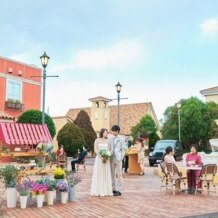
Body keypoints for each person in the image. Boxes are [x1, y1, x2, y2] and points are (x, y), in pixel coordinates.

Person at [90, 128, 113, 196]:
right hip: (99, 160)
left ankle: (106, 190)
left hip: (106, 159)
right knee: (99, 173)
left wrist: (106, 156)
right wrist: (101, 156)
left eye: (107, 132)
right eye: (105, 132)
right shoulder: (97, 140)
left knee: (105, 173)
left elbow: (110, 150)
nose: (106, 133)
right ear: (102, 132)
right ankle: (98, 190)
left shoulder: (108, 141)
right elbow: (95, 150)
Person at [110, 125, 125, 196]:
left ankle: (119, 189)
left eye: (113, 131)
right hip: (112, 158)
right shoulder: (111, 139)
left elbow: (123, 149)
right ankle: (113, 189)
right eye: (112, 131)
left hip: (118, 158)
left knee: (119, 174)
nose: (112, 132)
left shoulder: (122, 139)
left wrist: (121, 158)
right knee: (112, 174)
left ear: (117, 131)